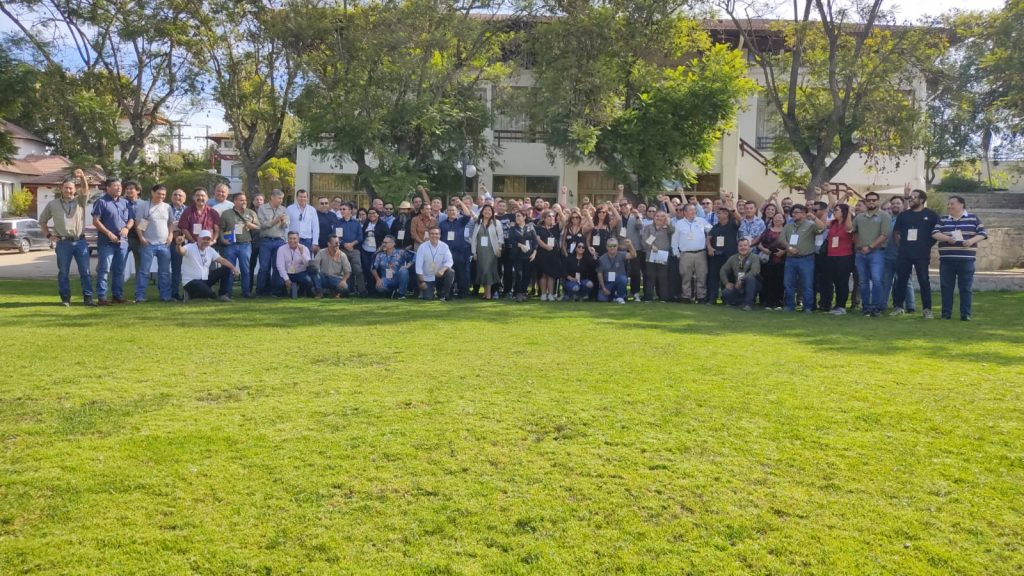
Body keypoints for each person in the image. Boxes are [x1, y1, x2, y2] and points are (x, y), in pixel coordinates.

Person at [39, 168, 93, 306]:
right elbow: (42, 221)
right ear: (61, 189)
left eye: (70, 188)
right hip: (63, 243)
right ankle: (65, 299)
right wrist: (49, 235)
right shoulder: (53, 204)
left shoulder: (80, 201)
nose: (68, 190)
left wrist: (82, 177)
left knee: (85, 272)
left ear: (75, 190)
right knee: (63, 272)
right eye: (66, 188)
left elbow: (85, 190)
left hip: (80, 242)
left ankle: (88, 298)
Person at [931, 195, 987, 321]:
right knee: (946, 287)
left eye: (952, 204)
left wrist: (971, 241)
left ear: (961, 205)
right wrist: (947, 238)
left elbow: (983, 233)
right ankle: (946, 314)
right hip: (946, 260)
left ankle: (965, 314)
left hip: (966, 260)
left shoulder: (973, 218)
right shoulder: (943, 219)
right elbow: (935, 233)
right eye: (948, 204)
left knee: (966, 288)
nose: (949, 206)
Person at [891, 189, 939, 318]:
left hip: (921, 254)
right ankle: (898, 307)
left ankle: (927, 309)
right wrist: (900, 246)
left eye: (914, 197)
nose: (911, 199)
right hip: (904, 254)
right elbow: (896, 232)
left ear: (922, 200)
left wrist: (927, 245)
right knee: (901, 280)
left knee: (924, 281)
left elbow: (937, 232)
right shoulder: (904, 215)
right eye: (910, 197)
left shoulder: (931, 215)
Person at [91, 177, 133, 305]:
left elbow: (131, 219)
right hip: (106, 243)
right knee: (104, 270)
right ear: (108, 188)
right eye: (115, 186)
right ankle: (102, 297)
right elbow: (96, 221)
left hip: (122, 243)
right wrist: (109, 233)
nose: (119, 188)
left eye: (120, 186)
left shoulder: (125, 202)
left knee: (119, 271)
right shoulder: (101, 202)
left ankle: (117, 296)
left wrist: (126, 228)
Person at [849, 192, 891, 316]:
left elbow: (884, 235)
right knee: (863, 281)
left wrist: (870, 247)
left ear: (878, 201)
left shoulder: (884, 216)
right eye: (869, 200)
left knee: (877, 280)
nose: (871, 202)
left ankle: (876, 307)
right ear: (866, 202)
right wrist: (859, 245)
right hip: (861, 253)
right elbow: (852, 231)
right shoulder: (859, 217)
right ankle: (866, 307)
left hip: (877, 253)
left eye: (874, 200)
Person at [780, 204, 826, 313]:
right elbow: (781, 239)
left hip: (806, 259)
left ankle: (808, 307)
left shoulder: (811, 225)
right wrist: (789, 248)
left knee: (807, 284)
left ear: (804, 214)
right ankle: (789, 306)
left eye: (796, 212)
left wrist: (814, 218)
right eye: (793, 212)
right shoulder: (788, 226)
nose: (793, 214)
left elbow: (822, 228)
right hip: (790, 259)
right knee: (788, 284)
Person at [133, 184, 173, 303]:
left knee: (164, 272)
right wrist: (141, 237)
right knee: (144, 271)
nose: (161, 196)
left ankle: (165, 296)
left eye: (163, 194)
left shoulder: (167, 207)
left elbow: (171, 223)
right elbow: (139, 223)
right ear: (152, 193)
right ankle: (140, 296)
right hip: (148, 244)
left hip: (164, 245)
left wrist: (170, 236)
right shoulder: (144, 206)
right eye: (159, 193)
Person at [217, 192, 259, 299]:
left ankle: (246, 293)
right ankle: (228, 293)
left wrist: (252, 225)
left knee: (246, 270)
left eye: (245, 200)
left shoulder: (251, 213)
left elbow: (259, 227)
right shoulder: (226, 214)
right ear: (235, 201)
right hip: (230, 245)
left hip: (245, 245)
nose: (244, 202)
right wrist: (222, 239)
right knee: (229, 269)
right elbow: (221, 229)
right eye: (241, 200)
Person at [176, 230, 238, 302]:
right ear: (198, 238)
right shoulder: (189, 247)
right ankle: (191, 294)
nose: (206, 241)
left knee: (226, 268)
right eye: (204, 239)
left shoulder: (210, 250)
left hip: (205, 279)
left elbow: (222, 260)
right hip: (190, 281)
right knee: (209, 294)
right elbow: (181, 251)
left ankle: (222, 295)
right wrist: (178, 245)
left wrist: (233, 268)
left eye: (208, 239)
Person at [671, 203, 712, 303]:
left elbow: (712, 230)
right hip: (686, 254)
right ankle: (686, 296)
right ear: (684, 212)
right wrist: (677, 253)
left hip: (700, 253)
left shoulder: (701, 221)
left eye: (694, 210)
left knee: (702, 276)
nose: (693, 212)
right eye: (690, 210)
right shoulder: (679, 224)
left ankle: (701, 296)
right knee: (686, 276)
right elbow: (674, 240)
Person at [882, 196, 915, 313]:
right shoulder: (888, 219)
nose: (895, 205)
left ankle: (910, 306)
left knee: (906, 281)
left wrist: (906, 197)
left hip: (903, 256)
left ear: (902, 205)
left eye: (898, 203)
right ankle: (882, 305)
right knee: (886, 282)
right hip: (888, 255)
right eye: (893, 203)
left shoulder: (906, 218)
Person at [706, 197, 740, 305]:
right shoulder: (715, 227)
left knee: (728, 278)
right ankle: (712, 299)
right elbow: (708, 238)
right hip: (716, 256)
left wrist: (732, 208)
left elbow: (740, 220)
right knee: (713, 278)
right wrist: (709, 248)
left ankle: (727, 299)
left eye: (720, 213)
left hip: (729, 256)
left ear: (726, 214)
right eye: (718, 213)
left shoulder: (732, 224)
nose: (718, 215)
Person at [439, 199, 474, 298]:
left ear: (457, 212)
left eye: (453, 210)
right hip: (447, 253)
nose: (452, 212)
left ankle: (463, 293)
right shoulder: (442, 224)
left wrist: (461, 203)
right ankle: (448, 292)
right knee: (449, 273)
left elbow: (468, 214)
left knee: (462, 274)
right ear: (447, 212)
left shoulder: (461, 221)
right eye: (450, 210)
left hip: (460, 252)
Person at [257, 189, 289, 296]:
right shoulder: (262, 208)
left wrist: (283, 222)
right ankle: (261, 290)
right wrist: (275, 221)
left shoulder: (283, 209)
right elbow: (261, 224)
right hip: (266, 240)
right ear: (272, 197)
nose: (281, 200)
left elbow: (286, 225)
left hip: (279, 241)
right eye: (279, 198)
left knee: (277, 266)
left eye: (282, 198)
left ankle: (275, 290)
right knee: (264, 267)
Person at [825, 203, 855, 314]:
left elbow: (849, 228)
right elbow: (823, 222)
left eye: (837, 210)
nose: (834, 212)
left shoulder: (848, 222)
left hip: (844, 256)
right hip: (832, 255)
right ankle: (837, 304)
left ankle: (842, 306)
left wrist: (849, 213)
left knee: (842, 281)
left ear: (843, 212)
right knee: (836, 281)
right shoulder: (833, 223)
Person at [470, 204, 503, 300]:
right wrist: (474, 252)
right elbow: (474, 238)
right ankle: (485, 293)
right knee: (482, 271)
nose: (487, 212)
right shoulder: (478, 223)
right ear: (482, 212)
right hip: (480, 251)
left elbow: (500, 237)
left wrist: (499, 247)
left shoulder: (496, 222)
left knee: (487, 270)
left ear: (492, 213)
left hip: (492, 251)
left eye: (489, 210)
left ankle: (488, 294)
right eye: (485, 210)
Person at [415, 227, 455, 300]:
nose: (434, 236)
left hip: (439, 275)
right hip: (427, 277)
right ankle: (426, 291)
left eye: (436, 234)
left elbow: (450, 261)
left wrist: (442, 270)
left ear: (440, 235)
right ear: (429, 235)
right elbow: (418, 266)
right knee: (428, 297)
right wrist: (422, 281)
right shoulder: (422, 247)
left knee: (450, 271)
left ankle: (444, 295)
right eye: (432, 234)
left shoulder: (444, 246)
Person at [641, 210, 673, 302]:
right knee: (650, 276)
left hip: (663, 256)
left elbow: (672, 230)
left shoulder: (668, 228)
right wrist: (651, 246)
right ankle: (648, 297)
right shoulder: (648, 227)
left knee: (663, 277)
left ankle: (663, 297)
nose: (659, 218)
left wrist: (667, 222)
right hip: (651, 254)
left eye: (662, 216)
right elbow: (644, 239)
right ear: (654, 217)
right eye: (657, 216)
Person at [720, 238, 761, 310]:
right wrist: (726, 283)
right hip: (738, 285)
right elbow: (723, 270)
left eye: (745, 245)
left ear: (749, 247)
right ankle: (740, 303)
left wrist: (741, 280)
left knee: (750, 278)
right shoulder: (733, 258)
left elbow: (755, 271)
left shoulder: (754, 257)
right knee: (726, 292)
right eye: (740, 246)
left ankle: (748, 304)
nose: (743, 248)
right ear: (737, 247)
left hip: (752, 284)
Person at [335, 202, 366, 296]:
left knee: (358, 270)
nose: (341, 211)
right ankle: (347, 291)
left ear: (350, 210)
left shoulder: (356, 223)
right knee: (345, 271)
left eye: (344, 209)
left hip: (354, 250)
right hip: (342, 250)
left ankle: (362, 291)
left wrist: (352, 244)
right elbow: (336, 237)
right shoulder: (338, 222)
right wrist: (344, 244)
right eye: (340, 209)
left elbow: (360, 237)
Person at [507, 211, 537, 302]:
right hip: (517, 256)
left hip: (529, 256)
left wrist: (534, 253)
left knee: (527, 275)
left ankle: (524, 292)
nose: (517, 218)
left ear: (524, 217)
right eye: (516, 216)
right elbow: (510, 240)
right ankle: (517, 293)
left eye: (519, 216)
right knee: (519, 274)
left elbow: (535, 242)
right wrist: (520, 245)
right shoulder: (513, 229)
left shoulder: (530, 228)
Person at [760, 212, 787, 310]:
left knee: (780, 281)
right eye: (776, 217)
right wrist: (764, 250)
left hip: (782, 259)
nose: (778, 219)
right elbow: (759, 243)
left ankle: (779, 303)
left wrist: (784, 251)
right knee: (768, 281)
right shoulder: (767, 231)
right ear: (773, 219)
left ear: (784, 220)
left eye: (780, 218)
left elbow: (792, 244)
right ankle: (768, 302)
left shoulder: (786, 231)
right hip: (769, 259)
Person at [276, 231, 315, 298]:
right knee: (280, 283)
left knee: (308, 281)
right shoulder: (281, 249)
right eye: (290, 238)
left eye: (294, 238)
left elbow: (308, 264)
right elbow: (280, 266)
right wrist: (286, 279)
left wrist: (302, 253)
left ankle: (300, 291)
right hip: (287, 273)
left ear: (298, 239)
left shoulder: (304, 248)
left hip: (300, 273)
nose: (292, 241)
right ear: (287, 239)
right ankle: (287, 292)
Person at [597, 237, 636, 303]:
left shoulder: (622, 254)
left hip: (619, 282)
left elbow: (634, 255)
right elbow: (599, 274)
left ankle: (620, 297)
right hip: (608, 284)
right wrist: (603, 288)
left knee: (623, 279)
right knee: (601, 298)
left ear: (617, 246)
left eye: (614, 246)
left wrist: (630, 245)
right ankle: (614, 296)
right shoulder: (602, 259)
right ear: (607, 247)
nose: (612, 247)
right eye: (610, 246)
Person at [534, 210, 562, 301]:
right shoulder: (538, 228)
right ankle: (543, 294)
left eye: (553, 216)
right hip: (542, 253)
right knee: (543, 274)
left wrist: (560, 211)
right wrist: (546, 246)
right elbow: (538, 239)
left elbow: (564, 221)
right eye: (549, 216)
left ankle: (550, 294)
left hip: (553, 254)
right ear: (544, 218)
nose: (551, 218)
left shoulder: (556, 227)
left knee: (551, 274)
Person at [361, 207, 390, 294]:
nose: (372, 215)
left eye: (374, 213)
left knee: (376, 269)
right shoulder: (366, 224)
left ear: (378, 214)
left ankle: (378, 288)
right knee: (367, 269)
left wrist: (381, 248)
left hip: (378, 250)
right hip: (365, 250)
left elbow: (387, 237)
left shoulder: (383, 225)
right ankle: (369, 289)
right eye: (370, 213)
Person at [168, 188, 187, 301]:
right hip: (165, 241)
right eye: (175, 194)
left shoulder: (188, 210)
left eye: (180, 195)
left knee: (177, 270)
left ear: (184, 198)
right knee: (164, 270)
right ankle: (165, 294)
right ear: (171, 197)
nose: (177, 197)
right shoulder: (165, 207)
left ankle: (174, 293)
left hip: (180, 242)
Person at [122, 181, 143, 277]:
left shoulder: (144, 204)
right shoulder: (121, 202)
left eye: (131, 189)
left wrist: (141, 234)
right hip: (124, 237)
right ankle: (118, 285)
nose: (128, 190)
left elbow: (146, 219)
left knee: (140, 265)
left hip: (138, 238)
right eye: (127, 189)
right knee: (120, 263)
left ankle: (140, 286)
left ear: (138, 191)